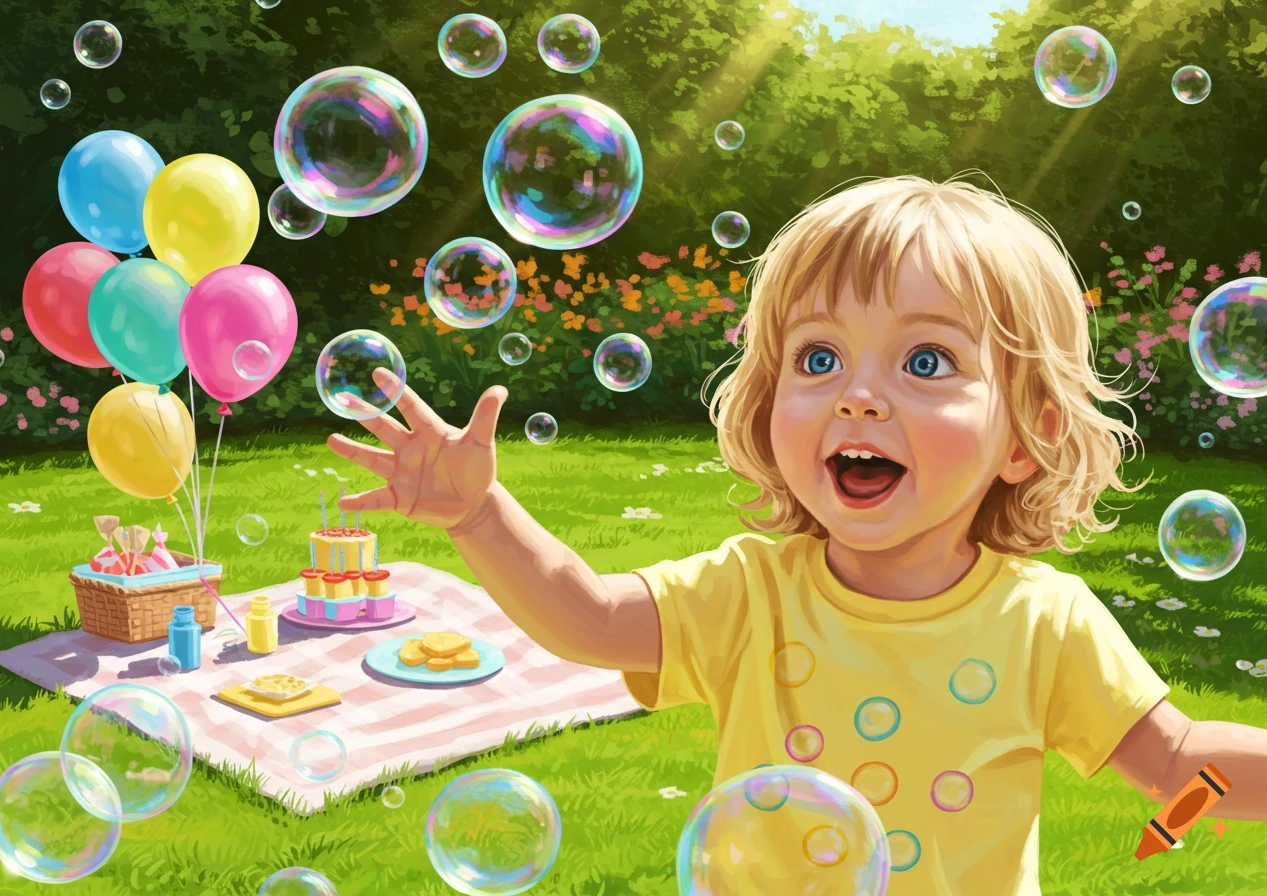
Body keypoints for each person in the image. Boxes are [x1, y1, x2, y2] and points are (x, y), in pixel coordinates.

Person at [327, 173, 1267, 894]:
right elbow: (588, 618)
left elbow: (1177, 764)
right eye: (819, 358)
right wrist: (480, 515)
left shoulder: (1046, 622)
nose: (858, 393)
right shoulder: (751, 592)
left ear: (1026, 438)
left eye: (927, 360)